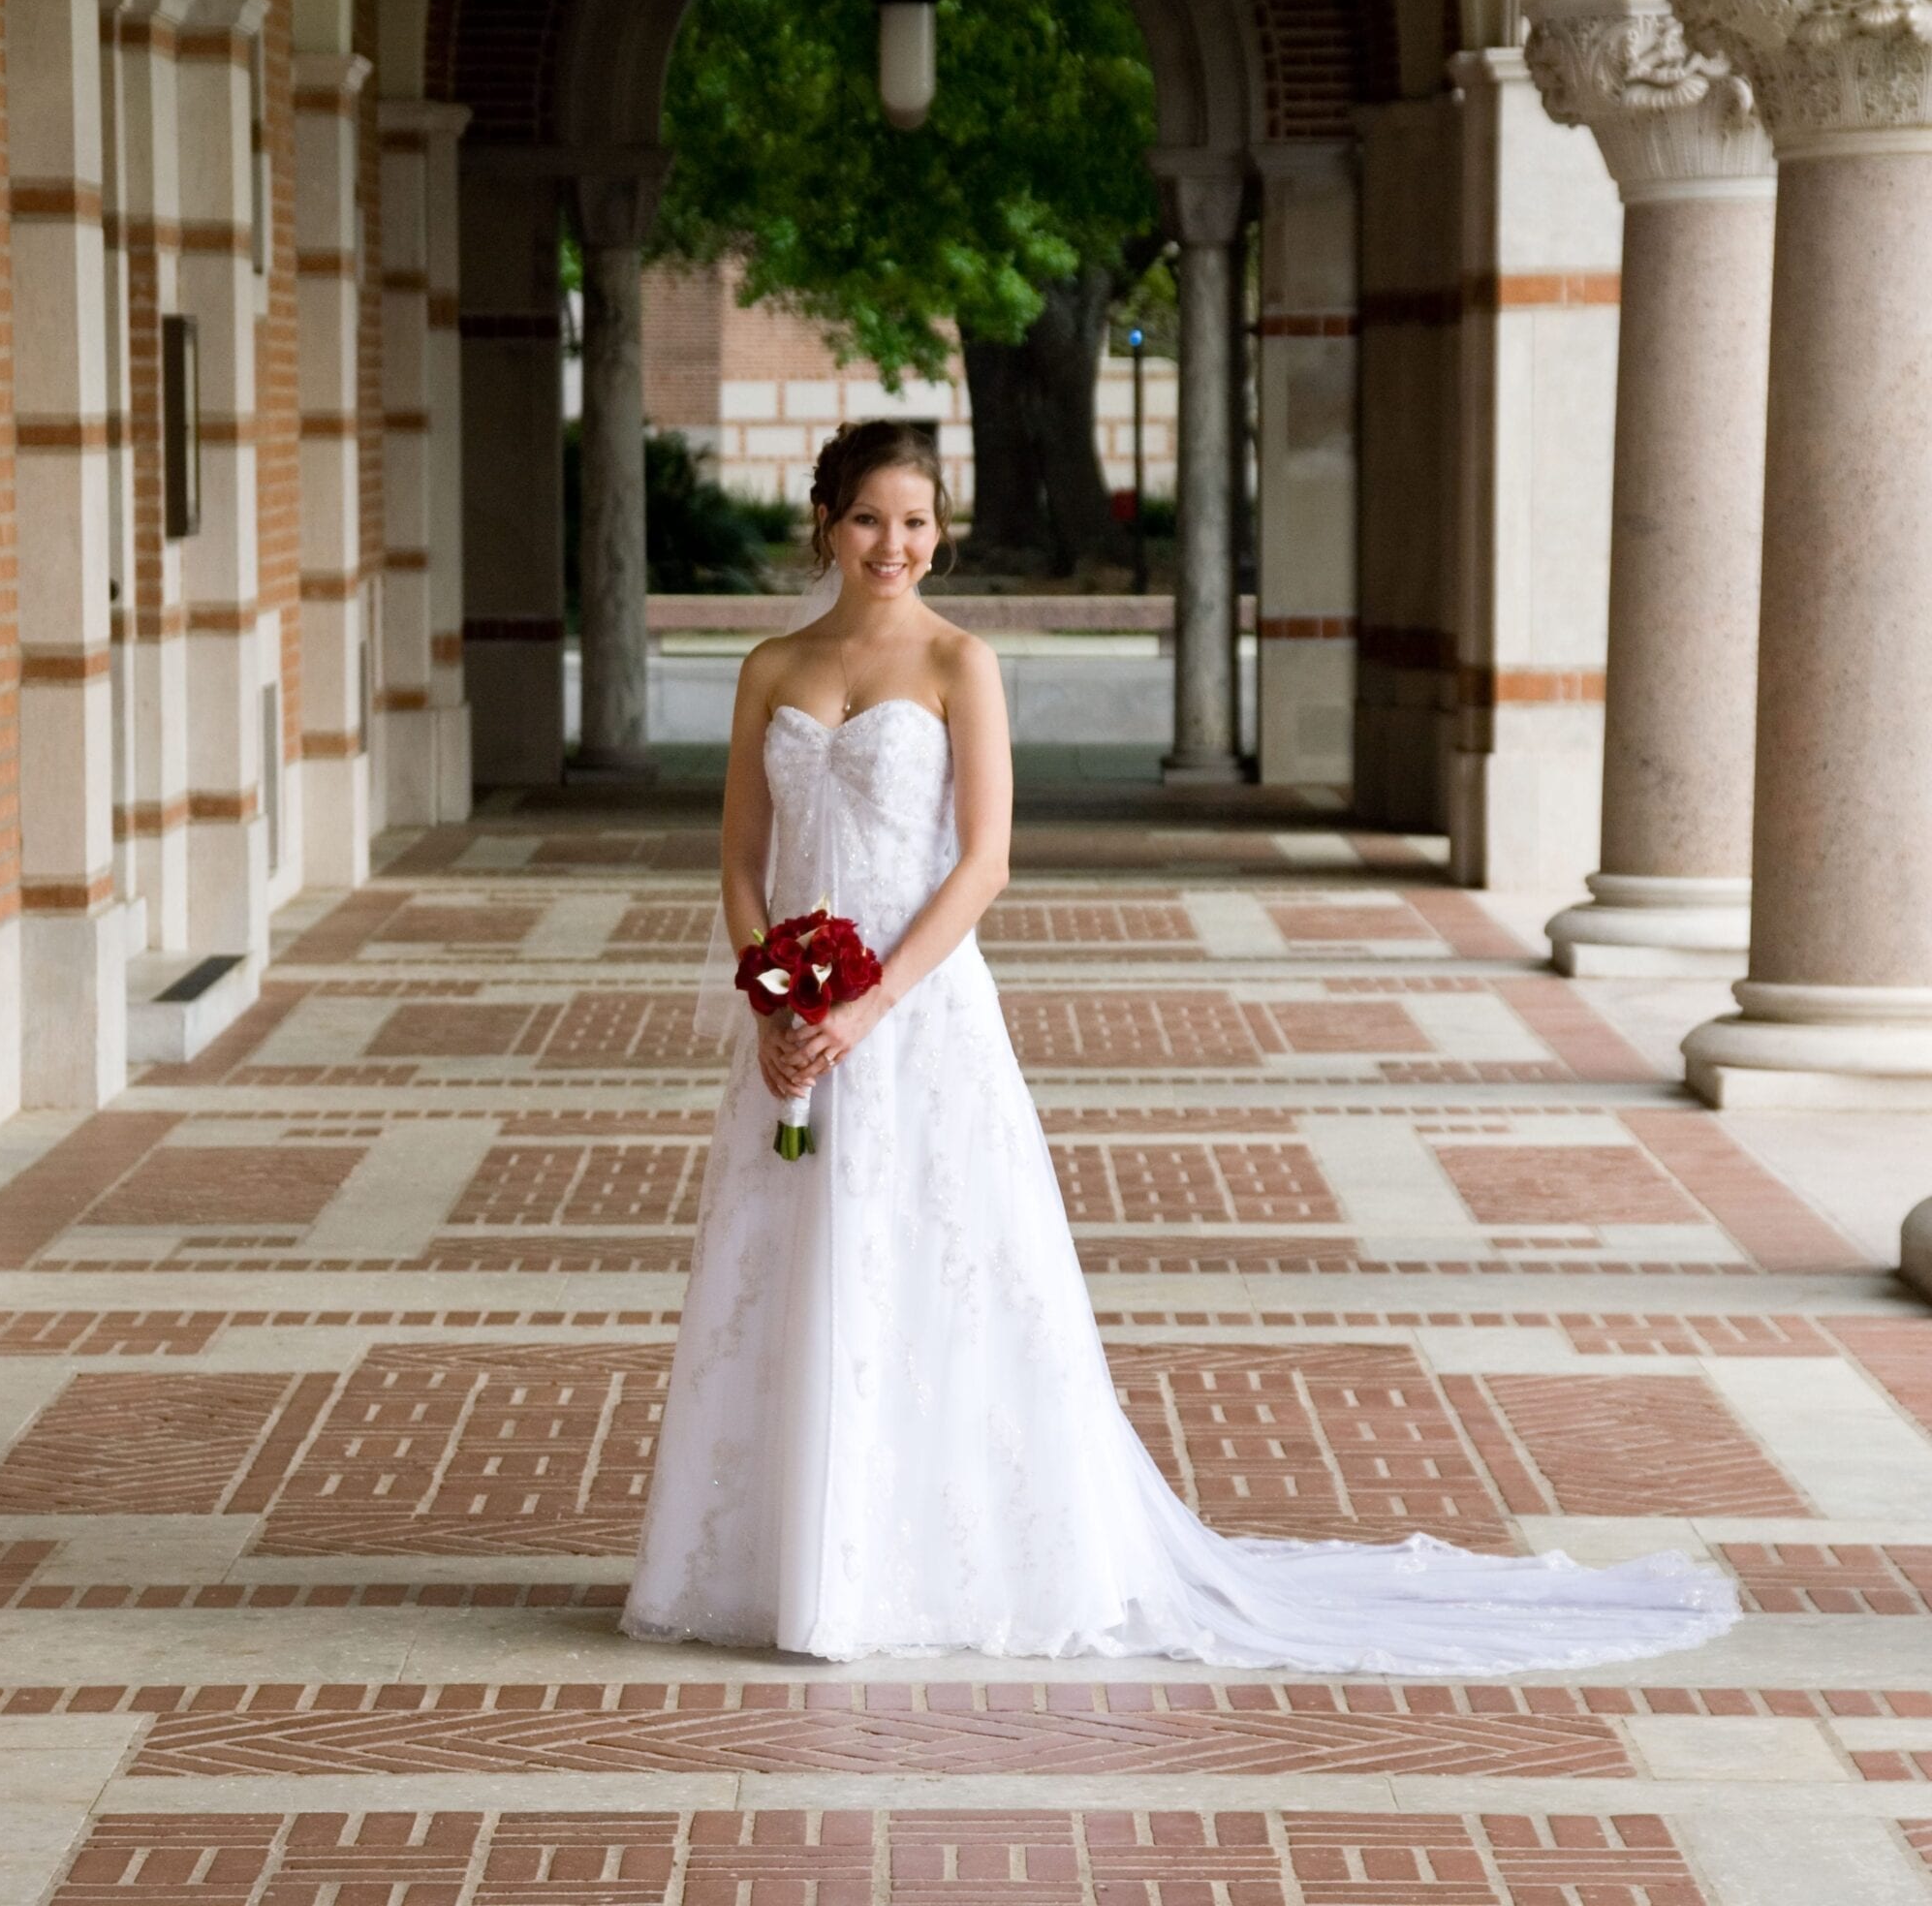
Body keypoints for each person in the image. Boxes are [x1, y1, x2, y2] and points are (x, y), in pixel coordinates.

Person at [625, 419, 1737, 1669]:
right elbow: (737, 858)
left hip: (918, 1017)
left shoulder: (959, 663)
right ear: (826, 523)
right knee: (792, 1260)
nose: (897, 544)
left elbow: (985, 862)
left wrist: (869, 1003)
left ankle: (919, 1562)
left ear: (942, 532)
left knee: (930, 1266)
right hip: (792, 1033)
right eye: (873, 518)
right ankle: (785, 1563)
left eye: (920, 520)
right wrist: (775, 996)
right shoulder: (769, 666)